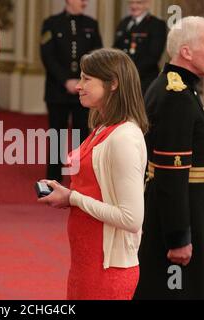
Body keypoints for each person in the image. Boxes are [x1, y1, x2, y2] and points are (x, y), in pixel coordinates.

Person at [38, 48, 148, 300]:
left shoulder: (124, 138)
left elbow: (131, 218)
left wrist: (73, 198)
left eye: (87, 79)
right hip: (86, 262)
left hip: (108, 270)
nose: (78, 86)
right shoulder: (102, 127)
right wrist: (68, 195)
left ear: (113, 84)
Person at [134, 17, 204, 300]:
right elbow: (170, 176)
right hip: (184, 212)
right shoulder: (175, 95)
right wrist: (178, 238)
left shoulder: (180, 88)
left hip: (194, 207)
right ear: (186, 52)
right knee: (178, 292)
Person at [40, 0, 103, 182]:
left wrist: (82, 80)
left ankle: (80, 176)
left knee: (83, 136)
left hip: (84, 91)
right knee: (56, 136)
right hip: (57, 90)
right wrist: (65, 80)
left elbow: (97, 55)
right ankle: (53, 179)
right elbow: (47, 56)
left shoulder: (92, 24)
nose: (85, 2)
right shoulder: (51, 23)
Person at [113, 0, 166, 95]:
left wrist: (129, 73)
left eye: (139, 3)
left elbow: (153, 56)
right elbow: (115, 50)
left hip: (143, 82)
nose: (134, 6)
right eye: (131, 2)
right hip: (121, 81)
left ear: (148, 3)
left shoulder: (156, 24)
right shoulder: (124, 23)